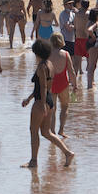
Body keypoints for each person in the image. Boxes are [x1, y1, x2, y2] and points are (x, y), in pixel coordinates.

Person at [21, 40, 75, 170]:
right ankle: (68, 153)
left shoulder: (41, 67)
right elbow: (41, 86)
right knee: (46, 132)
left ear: (38, 53)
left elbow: (43, 86)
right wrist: (29, 98)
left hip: (42, 101)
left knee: (34, 131)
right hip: (49, 100)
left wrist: (42, 104)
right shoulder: (49, 64)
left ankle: (33, 161)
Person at [47, 34, 74, 137]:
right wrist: (74, 85)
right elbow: (71, 72)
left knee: (52, 109)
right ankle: (61, 130)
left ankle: (52, 131)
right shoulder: (66, 54)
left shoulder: (47, 54)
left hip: (51, 83)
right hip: (63, 83)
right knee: (65, 106)